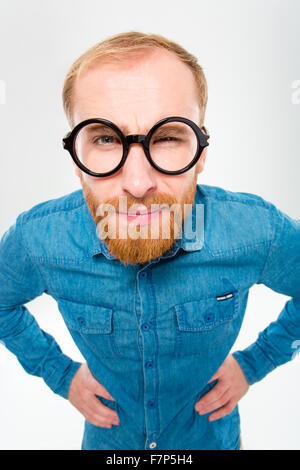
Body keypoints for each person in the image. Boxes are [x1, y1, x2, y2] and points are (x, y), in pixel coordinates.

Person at [0, 31, 299, 451]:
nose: (138, 183)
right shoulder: (38, 240)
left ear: (202, 149)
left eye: (167, 137)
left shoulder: (255, 231)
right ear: (75, 157)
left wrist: (256, 363)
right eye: (105, 139)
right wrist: (58, 373)